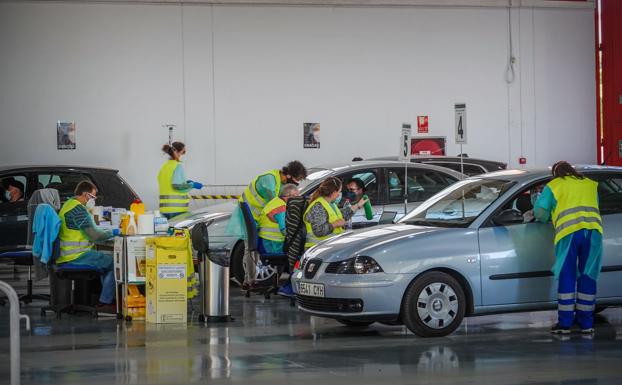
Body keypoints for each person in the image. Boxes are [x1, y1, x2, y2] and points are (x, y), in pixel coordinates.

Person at [534, 161, 603, 334]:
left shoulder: (554, 185)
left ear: (555, 174)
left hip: (569, 233)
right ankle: (586, 324)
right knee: (588, 275)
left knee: (567, 275)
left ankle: (565, 324)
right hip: (593, 234)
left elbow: (541, 213)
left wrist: (537, 211)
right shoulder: (589, 184)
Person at [227, 160, 308, 288]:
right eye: (297, 179)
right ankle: (249, 280)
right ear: (288, 175)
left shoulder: (280, 182)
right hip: (250, 215)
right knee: (250, 247)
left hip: (258, 217)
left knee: (252, 248)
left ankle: (250, 280)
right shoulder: (269, 180)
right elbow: (275, 204)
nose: (297, 183)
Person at [57, 181, 121, 312]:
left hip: (66, 254)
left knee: (106, 261)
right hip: (76, 255)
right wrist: (114, 232)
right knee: (116, 263)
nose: (94, 200)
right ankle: (105, 302)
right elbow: (95, 236)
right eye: (93, 197)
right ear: (86, 195)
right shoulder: (78, 210)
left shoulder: (69, 204)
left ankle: (107, 298)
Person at [304, 177, 368, 250]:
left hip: (328, 247)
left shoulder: (330, 204)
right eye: (339, 191)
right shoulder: (318, 207)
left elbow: (341, 215)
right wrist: (336, 224)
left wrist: (358, 205)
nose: (339, 195)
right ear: (334, 192)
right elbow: (319, 231)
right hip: (317, 249)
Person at [158, 142, 204, 219]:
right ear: (177, 152)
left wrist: (186, 183)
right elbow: (177, 186)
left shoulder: (165, 166)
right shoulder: (177, 166)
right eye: (183, 152)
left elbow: (168, 183)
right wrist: (192, 185)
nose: (182, 155)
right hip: (177, 210)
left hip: (164, 210)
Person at [258, 184, 300, 254]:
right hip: (272, 241)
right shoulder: (281, 207)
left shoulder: (277, 201)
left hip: (267, 239)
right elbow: (284, 230)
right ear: (290, 196)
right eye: (297, 196)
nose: (298, 199)